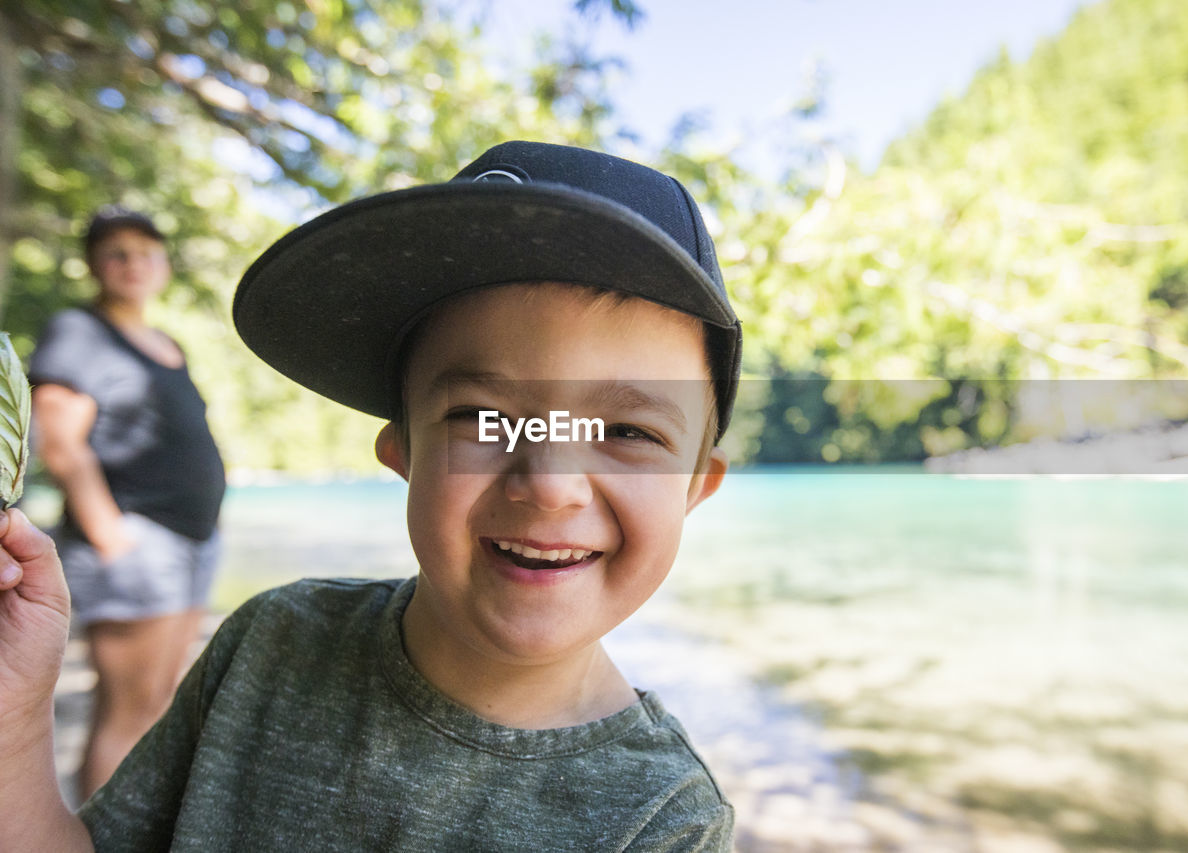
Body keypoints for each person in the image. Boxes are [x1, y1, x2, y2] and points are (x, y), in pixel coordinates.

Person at [0, 140, 742, 851]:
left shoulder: (661, 816)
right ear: (403, 453)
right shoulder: (271, 642)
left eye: (625, 429)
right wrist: (16, 714)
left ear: (695, 487)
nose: (548, 483)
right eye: (485, 418)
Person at [25, 206, 226, 800]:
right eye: (116, 252)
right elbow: (60, 443)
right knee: (128, 712)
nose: (133, 263)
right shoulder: (78, 331)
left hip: (192, 539)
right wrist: (110, 534)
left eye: (145, 250)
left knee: (161, 703)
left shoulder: (168, 342)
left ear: (162, 263)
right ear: (93, 265)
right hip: (137, 540)